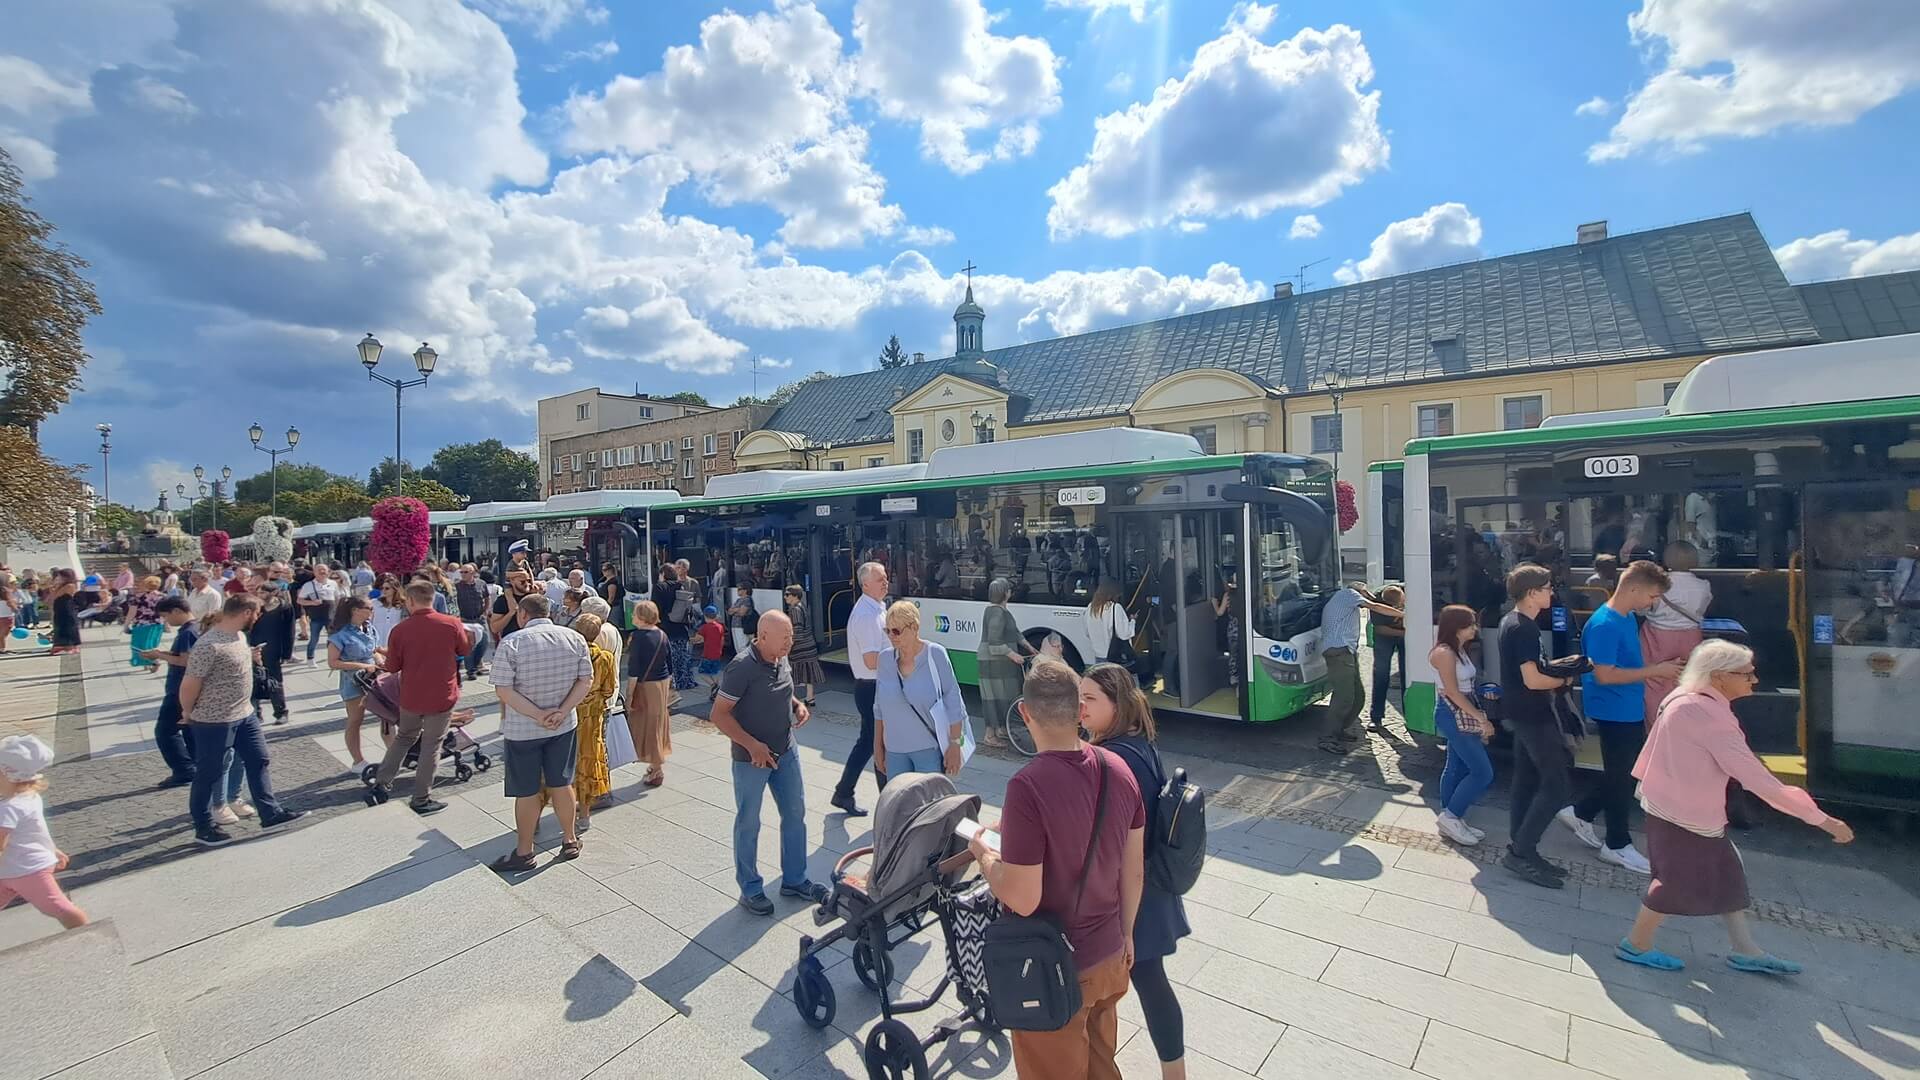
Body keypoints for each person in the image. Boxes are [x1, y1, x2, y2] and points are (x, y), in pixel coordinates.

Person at [1614, 641, 1854, 975]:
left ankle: (1745, 950)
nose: (1754, 679)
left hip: (1674, 805)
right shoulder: (1709, 716)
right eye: (1747, 673)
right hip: (1686, 813)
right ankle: (1636, 945)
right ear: (1719, 677)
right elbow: (1759, 780)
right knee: (1674, 882)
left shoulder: (1681, 699)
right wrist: (1823, 820)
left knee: (1726, 875)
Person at [968, 659, 1145, 1080]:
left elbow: (1024, 898)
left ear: (1025, 714)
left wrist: (985, 856)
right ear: (1079, 712)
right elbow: (1133, 870)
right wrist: (1127, 933)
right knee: (1103, 1067)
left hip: (1053, 970)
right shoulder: (1118, 769)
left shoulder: (1027, 786)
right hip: (1109, 957)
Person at [1079, 663, 1190, 1079]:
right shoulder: (1138, 743)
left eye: (1090, 699)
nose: (1080, 706)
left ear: (1116, 704)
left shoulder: (1112, 758)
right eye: (1079, 697)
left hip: (1133, 893)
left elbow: (1110, 838)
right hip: (1150, 888)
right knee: (1149, 980)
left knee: (1144, 980)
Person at [1559, 560, 1684, 875]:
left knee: (1624, 773)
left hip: (1625, 706)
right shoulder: (1606, 624)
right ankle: (1615, 843)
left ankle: (1582, 814)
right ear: (1634, 588)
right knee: (1622, 776)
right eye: (1652, 596)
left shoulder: (1625, 617)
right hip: (1612, 708)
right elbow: (1604, 675)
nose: (1653, 603)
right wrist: (1656, 671)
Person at [710, 610, 827, 915]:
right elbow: (718, 715)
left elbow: (782, 689)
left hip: (785, 750)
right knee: (749, 821)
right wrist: (752, 745)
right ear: (762, 637)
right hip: (752, 759)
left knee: (795, 813)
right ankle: (750, 889)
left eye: (790, 636)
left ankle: (795, 879)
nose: (790, 642)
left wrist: (797, 705)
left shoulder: (780, 656)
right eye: (784, 637)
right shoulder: (742, 667)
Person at [182, 595, 306, 847]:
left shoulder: (239, 636)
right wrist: (187, 711)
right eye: (257, 612)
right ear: (247, 612)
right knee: (209, 772)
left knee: (259, 759)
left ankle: (270, 812)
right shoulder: (209, 645)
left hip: (244, 714)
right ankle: (204, 826)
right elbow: (190, 683)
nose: (259, 616)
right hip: (214, 720)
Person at [488, 593, 594, 873]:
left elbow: (503, 689)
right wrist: (561, 710)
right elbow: (586, 680)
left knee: (527, 791)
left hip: (523, 729)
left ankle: (524, 851)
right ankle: (570, 839)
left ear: (523, 614)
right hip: (563, 724)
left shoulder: (512, 642)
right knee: (562, 783)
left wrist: (537, 714)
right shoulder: (574, 638)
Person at [1498, 564, 1577, 889]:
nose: (1552, 593)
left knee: (1526, 782)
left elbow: (1527, 671)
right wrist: (1566, 678)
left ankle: (1521, 848)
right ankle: (1520, 851)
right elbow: (1532, 680)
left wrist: (1557, 667)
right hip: (1534, 715)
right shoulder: (1525, 629)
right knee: (1556, 786)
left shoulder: (1510, 621)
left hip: (1520, 713)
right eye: (1546, 588)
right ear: (1532, 593)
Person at [368, 582, 472, 816]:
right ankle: (421, 798)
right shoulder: (451, 623)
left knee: (404, 737)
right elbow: (464, 650)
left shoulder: (401, 630)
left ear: (411, 601)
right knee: (431, 746)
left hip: (411, 695)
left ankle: (382, 782)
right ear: (432, 599)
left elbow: (392, 667)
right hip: (441, 695)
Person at [0, 734, 88, 930]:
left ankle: (86, 934)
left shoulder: (9, 808)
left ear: (8, 775)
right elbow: (34, 829)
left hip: (28, 869)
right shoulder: (27, 796)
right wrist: (52, 849)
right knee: (55, 906)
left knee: (58, 907)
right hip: (10, 868)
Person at [874, 601, 969, 778]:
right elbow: (879, 707)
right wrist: (877, 747)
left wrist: (955, 744)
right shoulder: (885, 659)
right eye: (887, 630)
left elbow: (954, 701)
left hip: (928, 750)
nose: (891, 636)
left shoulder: (936, 655)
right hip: (894, 751)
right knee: (900, 804)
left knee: (930, 804)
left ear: (914, 627)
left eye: (897, 631)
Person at [1429, 604, 1493, 846]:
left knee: (1456, 766)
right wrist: (1481, 718)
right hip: (1452, 713)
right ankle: (1451, 816)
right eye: (1470, 625)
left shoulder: (1458, 649)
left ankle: (1450, 815)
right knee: (1482, 772)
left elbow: (1464, 688)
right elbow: (1453, 693)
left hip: (1459, 711)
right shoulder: (1444, 652)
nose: (1474, 629)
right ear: (1457, 627)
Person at [832, 561, 891, 817]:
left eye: (886, 577)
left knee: (872, 742)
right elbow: (871, 660)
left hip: (876, 685)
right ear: (865, 584)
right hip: (871, 687)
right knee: (877, 743)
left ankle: (844, 792)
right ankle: (888, 804)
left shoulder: (878, 607)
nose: (885, 582)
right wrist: (903, 658)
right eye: (880, 579)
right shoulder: (866, 615)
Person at [1317, 581, 1402, 756]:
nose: (1369, 594)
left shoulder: (1345, 598)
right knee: (1344, 697)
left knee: (1358, 697)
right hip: (1339, 652)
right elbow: (1375, 606)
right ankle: (1327, 738)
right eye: (1366, 591)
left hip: (1346, 651)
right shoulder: (1349, 594)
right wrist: (1403, 614)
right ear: (1360, 591)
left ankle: (1339, 729)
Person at [555, 612, 616, 833]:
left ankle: (556, 807)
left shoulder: (567, 657)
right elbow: (609, 689)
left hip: (569, 716)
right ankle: (585, 814)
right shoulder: (606, 658)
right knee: (589, 762)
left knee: (563, 763)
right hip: (593, 718)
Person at [1642, 541, 1712, 720]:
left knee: (1655, 680)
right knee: (1689, 681)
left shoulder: (1659, 584)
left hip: (1657, 636)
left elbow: (1644, 608)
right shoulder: (1703, 585)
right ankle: (1684, 721)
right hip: (1691, 636)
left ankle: (1656, 722)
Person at [139, 597, 201, 787]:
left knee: (165, 731)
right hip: (186, 687)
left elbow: (186, 660)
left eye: (166, 616)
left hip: (180, 689)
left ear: (176, 611)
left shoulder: (188, 632)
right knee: (189, 730)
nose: (167, 621)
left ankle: (183, 769)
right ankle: (196, 765)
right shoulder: (195, 627)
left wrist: (159, 655)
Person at [327, 596, 385, 775]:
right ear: (355, 610)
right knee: (355, 720)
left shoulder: (369, 629)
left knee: (388, 714)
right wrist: (361, 666)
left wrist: (380, 661)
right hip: (353, 680)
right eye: (368, 608)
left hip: (374, 677)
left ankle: (395, 752)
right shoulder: (340, 635)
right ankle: (358, 760)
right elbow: (333, 662)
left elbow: (375, 650)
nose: (372, 611)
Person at [622, 599, 675, 788]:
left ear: (642, 617)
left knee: (647, 725)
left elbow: (634, 669)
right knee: (659, 722)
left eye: (635, 613)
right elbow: (669, 663)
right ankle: (655, 765)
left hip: (646, 686)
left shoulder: (637, 637)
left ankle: (657, 768)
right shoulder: (661, 634)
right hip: (662, 683)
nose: (632, 616)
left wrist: (629, 696)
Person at [978, 578, 1035, 738]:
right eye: (1009, 589)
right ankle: (990, 735)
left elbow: (1015, 633)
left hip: (999, 663)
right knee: (995, 697)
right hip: (993, 662)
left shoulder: (999, 611)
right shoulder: (997, 613)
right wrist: (1013, 654)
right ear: (1006, 594)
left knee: (1002, 696)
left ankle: (1002, 729)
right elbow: (994, 642)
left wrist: (1029, 647)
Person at [651, 565, 698, 693]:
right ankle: (686, 681)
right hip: (681, 626)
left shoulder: (659, 587)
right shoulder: (680, 586)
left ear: (663, 574)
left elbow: (656, 608)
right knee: (683, 655)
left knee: (668, 657)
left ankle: (673, 682)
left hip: (665, 626)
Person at [1366, 584, 1407, 728]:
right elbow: (1380, 629)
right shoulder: (1376, 600)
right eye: (1396, 606)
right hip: (1386, 636)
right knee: (1381, 673)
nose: (1401, 606)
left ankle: (1411, 716)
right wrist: (1406, 633)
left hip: (1406, 634)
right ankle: (1376, 717)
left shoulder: (1410, 587)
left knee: (1408, 673)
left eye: (1402, 603)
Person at [784, 586, 826, 708]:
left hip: (799, 647)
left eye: (788, 594)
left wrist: (789, 645)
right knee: (808, 672)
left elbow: (797, 630)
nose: (785, 597)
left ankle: (792, 701)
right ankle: (810, 697)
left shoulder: (795, 610)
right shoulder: (802, 606)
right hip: (808, 644)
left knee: (790, 673)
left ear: (795, 596)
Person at [1084, 580, 1137, 670]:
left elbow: (1087, 632)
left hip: (1098, 656)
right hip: (1113, 657)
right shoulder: (1115, 608)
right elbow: (1124, 634)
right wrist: (1132, 621)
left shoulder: (1090, 607)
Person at [455, 564, 492, 678]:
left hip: (479, 618)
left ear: (473, 573)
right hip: (465, 620)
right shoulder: (457, 586)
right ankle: (471, 670)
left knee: (484, 642)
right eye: (461, 572)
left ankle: (475, 665)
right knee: (468, 646)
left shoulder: (481, 584)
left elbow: (487, 597)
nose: (463, 575)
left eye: (466, 572)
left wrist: (485, 611)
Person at [297, 563, 337, 663]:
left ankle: (332, 657)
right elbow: (299, 600)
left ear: (328, 572)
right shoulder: (308, 585)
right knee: (314, 638)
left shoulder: (333, 583)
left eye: (324, 570)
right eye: (319, 570)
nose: (322, 572)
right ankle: (310, 658)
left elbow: (336, 598)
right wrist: (312, 603)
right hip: (316, 617)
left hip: (330, 616)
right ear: (314, 573)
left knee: (333, 639)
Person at [125, 576, 165, 670]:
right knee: (152, 644)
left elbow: (132, 612)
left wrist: (126, 625)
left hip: (141, 624)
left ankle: (152, 662)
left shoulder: (138, 597)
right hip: (157, 624)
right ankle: (149, 663)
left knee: (138, 644)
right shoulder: (163, 597)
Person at [1210, 570, 1242, 687]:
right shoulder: (1248, 591)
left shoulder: (1228, 595)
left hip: (1233, 629)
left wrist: (1214, 603)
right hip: (1245, 629)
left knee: (1233, 655)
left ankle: (1234, 679)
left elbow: (1220, 612)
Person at [696, 605, 726, 699]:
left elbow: (699, 639)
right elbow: (722, 639)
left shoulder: (705, 627)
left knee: (701, 673)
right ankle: (715, 693)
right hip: (717, 653)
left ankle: (713, 685)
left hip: (707, 653)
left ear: (705, 616)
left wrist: (691, 639)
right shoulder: (720, 626)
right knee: (714, 672)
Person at [48, 570, 80, 655]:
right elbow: (52, 597)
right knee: (59, 625)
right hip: (59, 608)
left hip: (66, 608)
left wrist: (55, 587)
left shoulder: (69, 585)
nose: (58, 578)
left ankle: (71, 645)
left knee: (68, 626)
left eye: (60, 576)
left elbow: (56, 595)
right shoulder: (61, 586)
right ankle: (61, 644)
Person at [370, 575, 406, 646]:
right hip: (377, 637)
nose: (383, 590)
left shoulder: (403, 605)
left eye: (387, 588)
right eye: (382, 588)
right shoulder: (375, 603)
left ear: (395, 589)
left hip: (395, 637)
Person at [727, 583, 758, 656]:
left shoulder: (747, 600)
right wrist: (737, 610)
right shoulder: (738, 600)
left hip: (741, 626)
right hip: (735, 626)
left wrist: (735, 610)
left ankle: (746, 662)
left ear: (745, 590)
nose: (737, 591)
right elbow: (729, 611)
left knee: (742, 646)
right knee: (737, 647)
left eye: (739, 589)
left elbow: (742, 613)